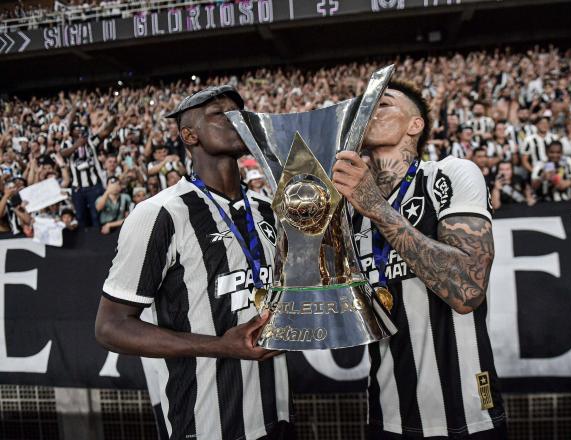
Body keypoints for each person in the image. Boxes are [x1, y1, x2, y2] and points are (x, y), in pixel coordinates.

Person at [95, 86, 292, 440]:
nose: (237, 119)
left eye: (240, 113)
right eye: (220, 113)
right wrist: (219, 346)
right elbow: (110, 327)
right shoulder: (160, 214)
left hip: (276, 415)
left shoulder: (269, 208)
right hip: (203, 423)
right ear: (189, 135)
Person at [332, 81, 506, 439]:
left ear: (415, 125)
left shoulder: (451, 174)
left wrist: (377, 208)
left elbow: (467, 290)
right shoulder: (347, 209)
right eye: (365, 107)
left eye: (384, 105)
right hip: (387, 416)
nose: (370, 112)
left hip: (468, 414)